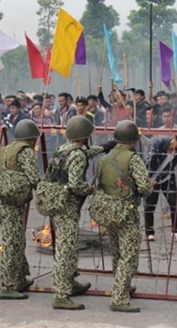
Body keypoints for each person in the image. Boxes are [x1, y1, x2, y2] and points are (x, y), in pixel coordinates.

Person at [51, 116, 116, 310]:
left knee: (67, 246)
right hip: (68, 206)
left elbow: (85, 153)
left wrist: (106, 147)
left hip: (58, 203)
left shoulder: (63, 149)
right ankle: (61, 295)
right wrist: (89, 189)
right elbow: (75, 184)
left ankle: (70, 283)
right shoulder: (77, 154)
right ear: (84, 136)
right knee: (66, 250)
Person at [89, 121, 153, 313]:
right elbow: (145, 188)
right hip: (126, 212)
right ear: (134, 140)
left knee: (116, 251)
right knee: (129, 255)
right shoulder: (133, 159)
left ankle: (120, 286)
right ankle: (119, 297)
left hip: (107, 211)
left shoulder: (104, 159)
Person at [0, 120, 41, 300]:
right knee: (12, 243)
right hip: (13, 202)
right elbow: (34, 177)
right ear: (31, 138)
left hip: (0, 200)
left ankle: (20, 277)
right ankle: (7, 285)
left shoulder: (5, 149)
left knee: (16, 239)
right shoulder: (26, 151)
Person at [144, 135, 177, 242]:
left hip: (167, 178)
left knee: (174, 204)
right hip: (149, 178)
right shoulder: (158, 144)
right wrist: (146, 179)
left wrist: (157, 179)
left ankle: (176, 231)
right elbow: (148, 162)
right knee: (150, 205)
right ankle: (149, 232)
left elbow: (171, 167)